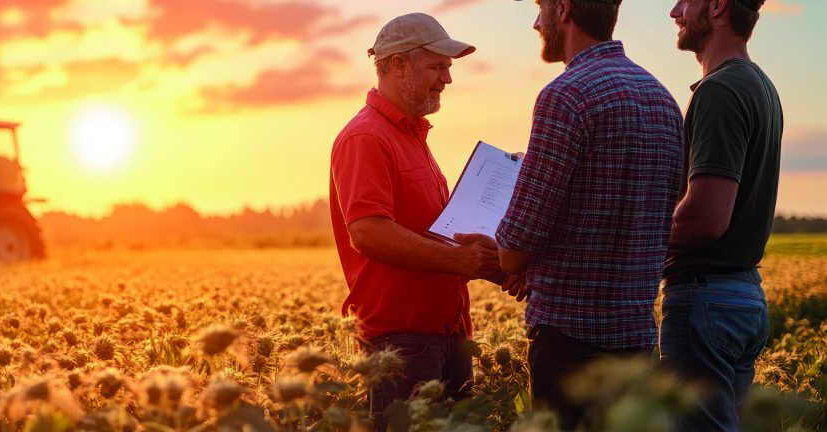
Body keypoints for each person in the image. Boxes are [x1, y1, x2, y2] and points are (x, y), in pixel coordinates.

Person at [493, 0, 684, 428]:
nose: (536, 21)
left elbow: (514, 249)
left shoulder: (564, 96)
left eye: (541, 6)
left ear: (563, 8)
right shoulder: (664, 100)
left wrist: (508, 252)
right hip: (638, 341)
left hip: (569, 344)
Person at [328, 12, 498, 431]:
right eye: (437, 66)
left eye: (448, 68)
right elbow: (367, 231)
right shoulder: (367, 136)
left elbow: (431, 233)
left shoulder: (411, 136)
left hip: (448, 331)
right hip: (402, 340)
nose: (447, 79)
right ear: (398, 64)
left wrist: (492, 262)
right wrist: (459, 261)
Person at [661, 0, 782, 430]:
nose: (675, 11)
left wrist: (631, 236)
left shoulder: (720, 90)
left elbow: (706, 219)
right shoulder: (760, 84)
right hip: (740, 297)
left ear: (716, 6)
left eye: (685, 1)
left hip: (706, 300)